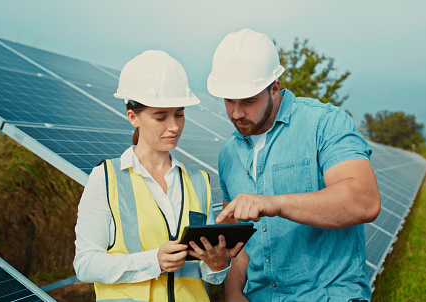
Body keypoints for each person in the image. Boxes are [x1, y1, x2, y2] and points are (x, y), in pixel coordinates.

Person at [207, 28, 381, 301]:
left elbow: (364, 200)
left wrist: (276, 204)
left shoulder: (325, 123)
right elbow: (238, 241)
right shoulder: (228, 154)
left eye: (249, 101)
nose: (237, 112)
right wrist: (232, 291)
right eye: (229, 101)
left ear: (275, 87)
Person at [74, 50, 243, 302]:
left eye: (179, 113)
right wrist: (153, 261)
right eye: (160, 117)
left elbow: (207, 275)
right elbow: (85, 264)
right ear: (133, 117)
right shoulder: (106, 178)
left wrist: (217, 264)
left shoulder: (199, 182)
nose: (174, 126)